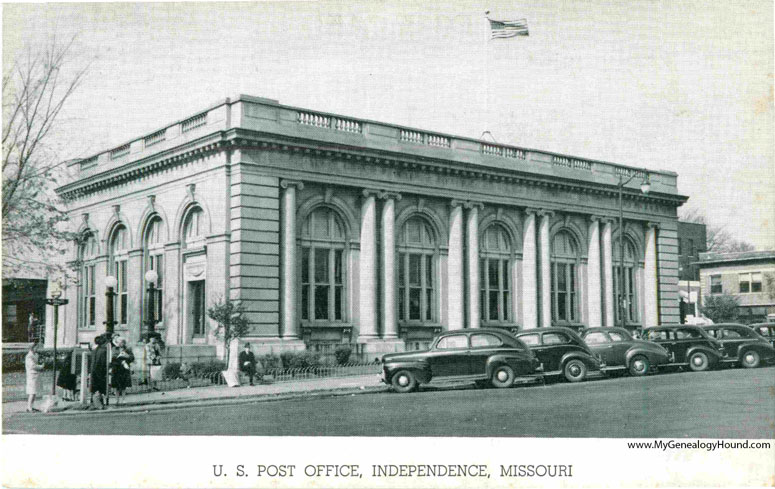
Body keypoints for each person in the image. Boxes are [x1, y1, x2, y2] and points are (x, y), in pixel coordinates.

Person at [110, 338, 134, 405]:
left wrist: (127, 356)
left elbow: (132, 357)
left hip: (124, 369)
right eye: (119, 342)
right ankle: (116, 399)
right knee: (116, 385)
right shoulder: (114, 349)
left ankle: (124, 399)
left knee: (124, 385)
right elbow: (113, 358)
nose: (121, 344)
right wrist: (121, 361)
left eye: (122, 342)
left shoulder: (128, 349)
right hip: (117, 368)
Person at [90, 334, 110, 409]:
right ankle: (100, 404)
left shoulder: (94, 350)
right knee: (100, 388)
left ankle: (94, 403)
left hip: (94, 371)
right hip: (101, 372)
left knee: (95, 388)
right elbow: (104, 362)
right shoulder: (104, 351)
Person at [25, 342, 44, 412]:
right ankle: (29, 407)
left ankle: (31, 406)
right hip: (31, 376)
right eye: (36, 347)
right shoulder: (29, 356)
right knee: (32, 392)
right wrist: (41, 366)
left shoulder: (35, 355)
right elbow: (32, 366)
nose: (37, 349)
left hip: (35, 376)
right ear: (32, 348)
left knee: (34, 392)